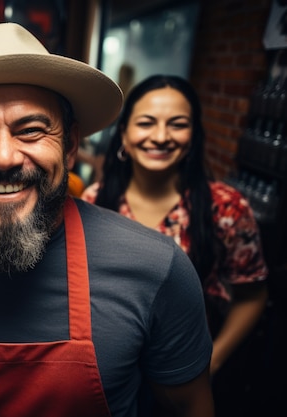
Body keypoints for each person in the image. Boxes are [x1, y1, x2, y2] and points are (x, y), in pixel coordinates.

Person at [0, 23, 214, 417]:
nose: (4, 157)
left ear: (71, 145)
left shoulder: (157, 269)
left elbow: (187, 406)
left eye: (31, 131)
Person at [81, 74, 269, 415]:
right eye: (146, 123)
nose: (161, 137)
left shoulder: (225, 208)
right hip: (115, 379)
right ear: (124, 133)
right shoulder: (95, 201)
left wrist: (212, 360)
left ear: (193, 135)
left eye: (177, 124)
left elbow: (252, 294)